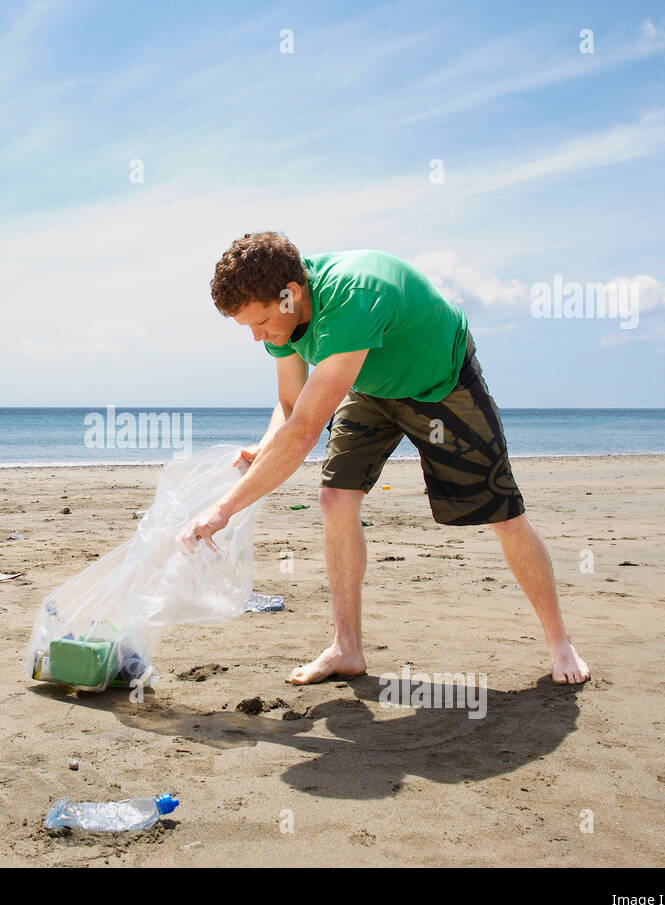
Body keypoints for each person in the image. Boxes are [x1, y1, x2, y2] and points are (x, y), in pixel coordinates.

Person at [177, 232, 590, 686]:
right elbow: (292, 408)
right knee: (336, 498)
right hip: (370, 384)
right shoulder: (282, 314)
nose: (258, 338)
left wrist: (222, 511)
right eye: (248, 328)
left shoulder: (354, 298)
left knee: (504, 516)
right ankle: (346, 648)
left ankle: (560, 642)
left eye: (259, 323)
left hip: (440, 382)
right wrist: (265, 443)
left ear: (290, 294)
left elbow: (303, 435)